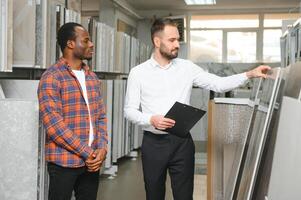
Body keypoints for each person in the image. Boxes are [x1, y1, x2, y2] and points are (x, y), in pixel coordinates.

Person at [124, 18, 270, 200]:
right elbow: (129, 110)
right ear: (156, 41)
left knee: (185, 196)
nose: (177, 44)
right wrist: (151, 119)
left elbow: (219, 84)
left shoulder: (187, 68)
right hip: (154, 144)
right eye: (172, 40)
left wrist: (249, 74)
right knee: (154, 195)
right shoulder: (138, 73)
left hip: (182, 143)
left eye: (178, 39)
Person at [38, 22, 107, 200]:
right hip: (64, 163)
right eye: (86, 40)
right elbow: (54, 126)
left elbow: (100, 117)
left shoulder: (92, 78)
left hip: (91, 163)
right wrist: (87, 152)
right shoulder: (52, 77)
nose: (91, 45)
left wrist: (102, 148)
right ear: (70, 44)